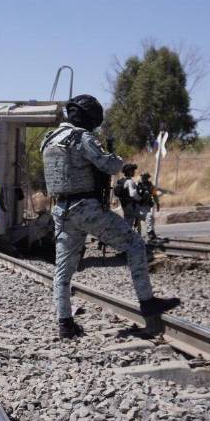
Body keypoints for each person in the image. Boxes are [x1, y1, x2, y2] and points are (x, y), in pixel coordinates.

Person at [40, 94, 180, 339]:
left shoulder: (48, 140)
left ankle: (65, 324)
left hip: (60, 211)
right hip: (86, 207)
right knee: (135, 244)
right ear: (88, 117)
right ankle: (147, 303)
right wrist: (116, 157)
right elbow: (111, 166)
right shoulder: (81, 137)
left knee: (63, 271)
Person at [132, 172, 157, 241]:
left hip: (146, 206)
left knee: (149, 218)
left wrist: (157, 203)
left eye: (145, 177)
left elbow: (155, 195)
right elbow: (133, 195)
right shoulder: (138, 185)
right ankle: (138, 236)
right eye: (143, 177)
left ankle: (149, 234)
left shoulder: (151, 186)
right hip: (138, 206)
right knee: (138, 222)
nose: (144, 178)